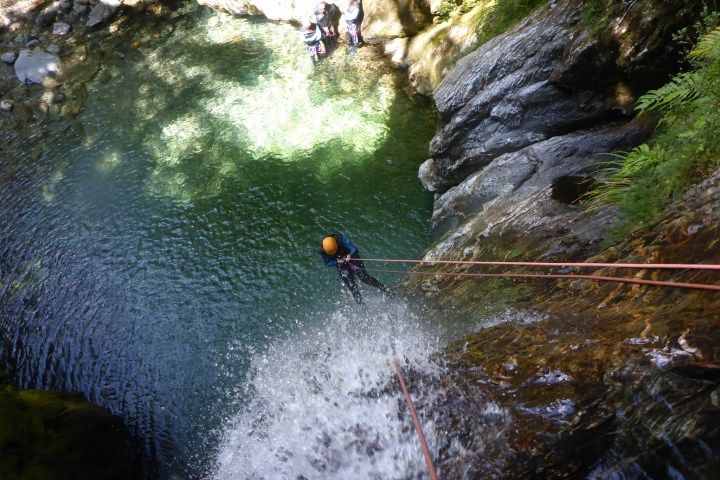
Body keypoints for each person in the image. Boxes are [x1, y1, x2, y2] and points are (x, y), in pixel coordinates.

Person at [320, 233, 393, 304]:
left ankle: (386, 290)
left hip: (353, 259)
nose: (333, 254)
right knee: (352, 287)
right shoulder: (324, 249)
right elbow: (327, 263)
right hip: (342, 266)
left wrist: (350, 255)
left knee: (365, 278)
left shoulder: (341, 238)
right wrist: (337, 261)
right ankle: (363, 307)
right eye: (331, 254)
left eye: (334, 252)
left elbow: (354, 248)